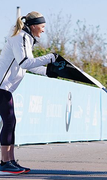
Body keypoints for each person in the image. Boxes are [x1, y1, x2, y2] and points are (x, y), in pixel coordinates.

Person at [0, 11, 58, 174]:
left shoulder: (27, 39)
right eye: (42, 26)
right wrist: (50, 57)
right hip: (1, 87)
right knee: (9, 122)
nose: (44, 30)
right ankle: (5, 162)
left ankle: (9, 161)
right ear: (33, 26)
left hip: (5, 88)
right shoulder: (20, 37)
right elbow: (25, 63)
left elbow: (30, 65)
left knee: (11, 122)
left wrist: (48, 72)